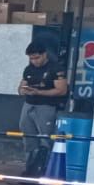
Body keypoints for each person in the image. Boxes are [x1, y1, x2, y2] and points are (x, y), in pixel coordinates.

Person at [17, 42, 67, 176]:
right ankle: (30, 168)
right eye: (31, 58)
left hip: (46, 106)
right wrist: (23, 90)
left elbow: (61, 90)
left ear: (44, 54)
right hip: (29, 104)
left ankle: (45, 169)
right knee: (28, 136)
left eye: (37, 58)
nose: (34, 61)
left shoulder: (55, 68)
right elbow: (21, 86)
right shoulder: (29, 69)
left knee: (46, 137)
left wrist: (39, 92)